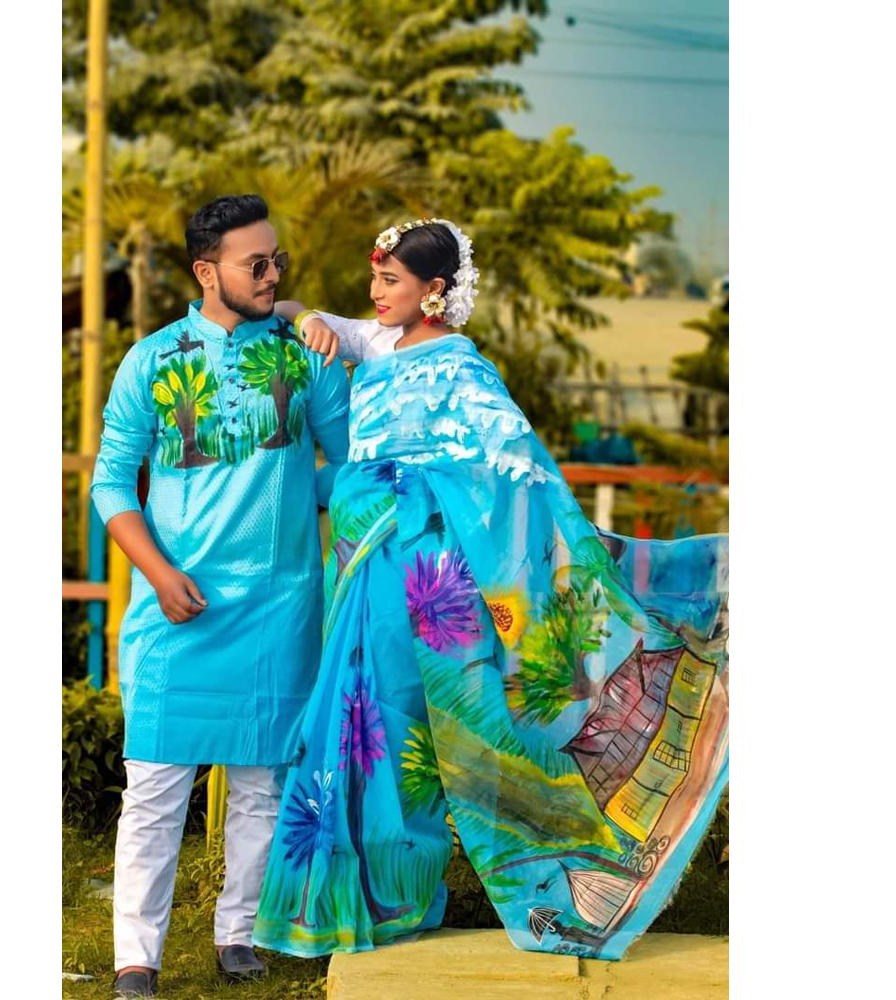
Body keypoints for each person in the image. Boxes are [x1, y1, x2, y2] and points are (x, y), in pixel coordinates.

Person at [255, 219, 729, 960]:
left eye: (391, 281)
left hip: (433, 585)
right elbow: (292, 314)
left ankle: (420, 891)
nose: (375, 292)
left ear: (433, 290)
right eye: (374, 278)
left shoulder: (465, 372)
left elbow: (517, 482)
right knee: (361, 727)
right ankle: (358, 903)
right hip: (366, 574)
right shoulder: (374, 342)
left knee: (422, 732)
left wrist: (413, 488)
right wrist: (309, 316)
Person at [89, 194, 351, 998]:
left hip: (279, 607)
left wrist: (317, 500)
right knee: (155, 787)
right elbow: (111, 483)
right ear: (208, 273)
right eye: (257, 264)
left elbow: (348, 465)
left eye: (278, 261)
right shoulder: (152, 361)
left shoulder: (306, 357)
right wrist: (158, 574)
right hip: (174, 608)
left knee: (261, 785)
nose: (273, 275)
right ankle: (137, 957)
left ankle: (239, 934)